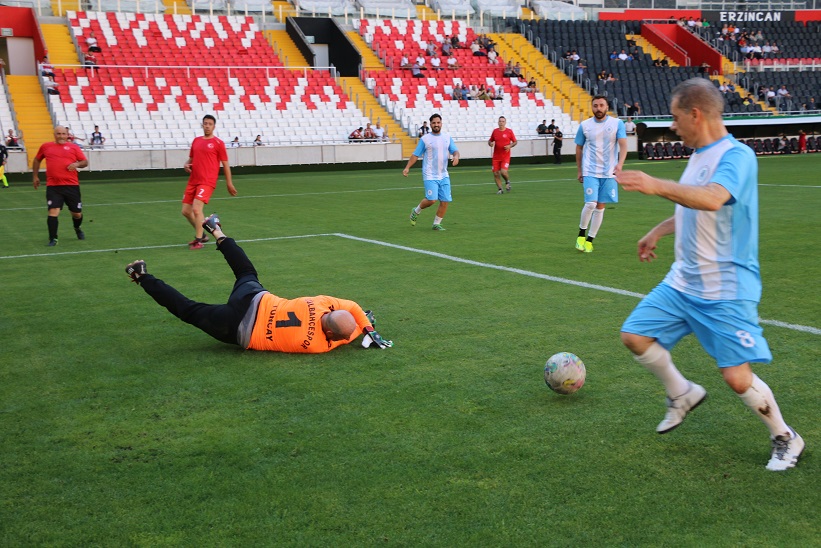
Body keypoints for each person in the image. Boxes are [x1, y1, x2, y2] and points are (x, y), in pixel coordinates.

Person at [616, 77, 804, 471]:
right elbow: (692, 206)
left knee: (737, 379)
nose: (672, 126)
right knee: (634, 335)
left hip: (726, 287)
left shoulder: (736, 156)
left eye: (674, 117)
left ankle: (785, 437)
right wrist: (658, 230)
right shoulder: (699, 153)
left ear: (695, 114)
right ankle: (682, 393)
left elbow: (714, 198)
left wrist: (653, 184)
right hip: (684, 281)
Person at [125, 214, 393, 353]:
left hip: (254, 299)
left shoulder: (321, 303)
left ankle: (216, 229)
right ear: (331, 334)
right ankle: (141, 275)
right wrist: (365, 327)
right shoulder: (317, 345)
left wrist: (364, 320)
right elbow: (347, 337)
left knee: (245, 271)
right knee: (189, 310)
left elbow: (352, 306)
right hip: (240, 329)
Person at [574, 94, 627, 253]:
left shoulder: (617, 123)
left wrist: (620, 165)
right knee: (590, 203)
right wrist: (579, 169)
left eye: (601, 105)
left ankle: (590, 240)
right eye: (595, 105)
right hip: (590, 170)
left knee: (600, 207)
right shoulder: (585, 125)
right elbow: (579, 148)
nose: (598, 108)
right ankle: (581, 234)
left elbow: (623, 146)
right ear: (592, 107)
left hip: (609, 172)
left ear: (607, 107)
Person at [182, 114, 237, 250]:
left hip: (207, 181)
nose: (207, 126)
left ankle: (198, 240)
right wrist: (186, 164)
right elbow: (191, 159)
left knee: (196, 208)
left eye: (210, 124)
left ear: (214, 126)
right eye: (205, 123)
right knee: (186, 211)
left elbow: (225, 164)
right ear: (202, 125)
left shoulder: (218, 143)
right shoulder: (196, 141)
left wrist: (229, 183)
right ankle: (203, 235)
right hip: (193, 180)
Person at [31, 125, 88, 246]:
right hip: (53, 186)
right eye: (58, 134)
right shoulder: (46, 147)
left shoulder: (74, 147)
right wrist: (35, 176)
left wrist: (76, 164)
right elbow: (37, 160)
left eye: (63, 134)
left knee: (76, 213)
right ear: (54, 135)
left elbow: (85, 162)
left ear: (67, 135)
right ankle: (53, 238)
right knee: (53, 212)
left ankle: (77, 228)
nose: (61, 136)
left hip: (71, 186)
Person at [403, 113, 460, 231]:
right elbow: (415, 154)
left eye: (438, 123)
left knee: (445, 200)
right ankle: (416, 210)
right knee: (431, 200)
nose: (436, 125)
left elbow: (455, 150)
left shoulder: (447, 137)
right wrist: (407, 167)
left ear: (441, 123)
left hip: (443, 174)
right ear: (430, 124)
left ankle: (436, 224)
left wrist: (456, 157)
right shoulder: (425, 139)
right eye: (434, 123)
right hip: (430, 174)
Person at [488, 116, 516, 194]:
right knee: (496, 173)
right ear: (498, 122)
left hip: (505, 157)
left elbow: (515, 142)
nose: (501, 123)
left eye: (503, 121)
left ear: (505, 122)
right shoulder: (495, 131)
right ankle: (500, 189)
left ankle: (507, 181)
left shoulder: (509, 131)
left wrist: (510, 146)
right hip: (496, 157)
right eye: (500, 121)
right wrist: (490, 143)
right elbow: (490, 141)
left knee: (503, 172)